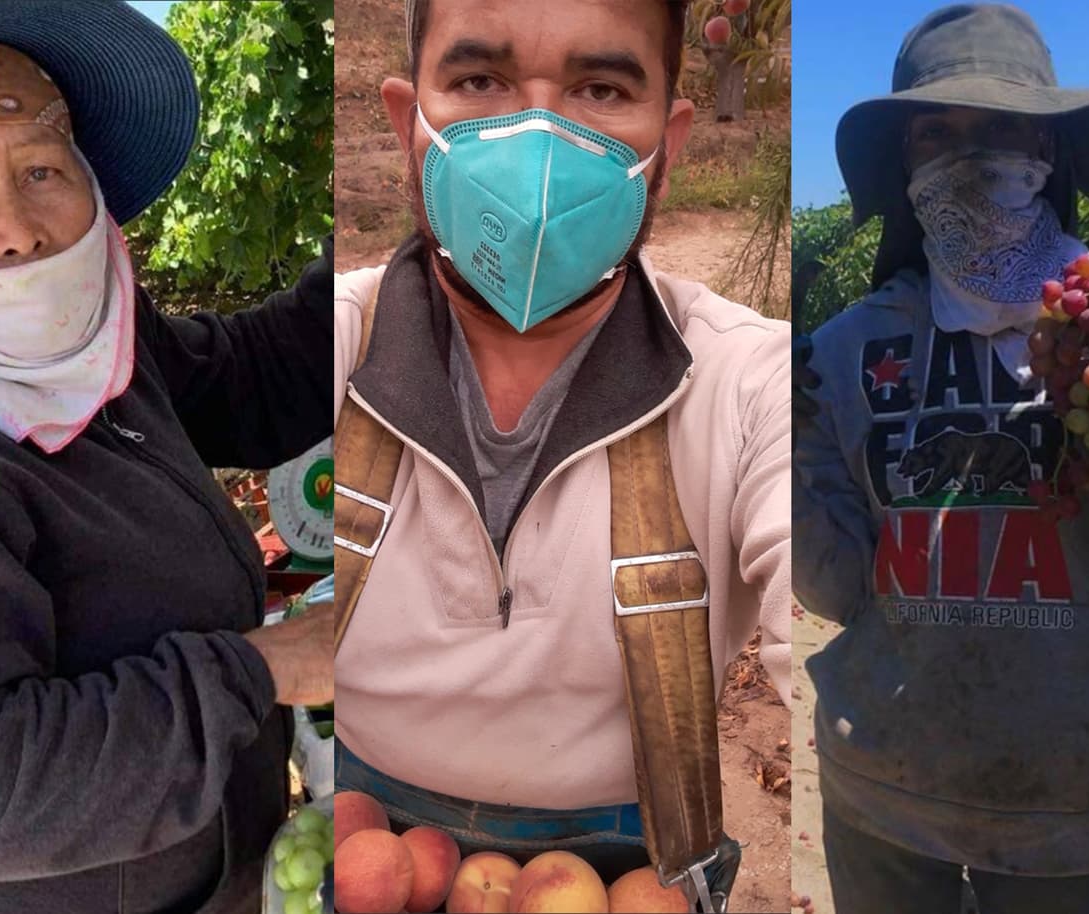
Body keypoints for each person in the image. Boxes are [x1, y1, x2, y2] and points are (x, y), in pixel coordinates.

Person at [332, 0, 791, 904]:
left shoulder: (752, 385)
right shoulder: (332, 349)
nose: (538, 140)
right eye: (478, 82)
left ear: (670, 140)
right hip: (365, 846)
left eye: (602, 88)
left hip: (629, 863)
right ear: (406, 123)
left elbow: (846, 646)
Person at [0, 3, 334, 912]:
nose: (17, 228)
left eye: (41, 169)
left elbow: (256, 376)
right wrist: (267, 668)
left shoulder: (100, 360)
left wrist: (395, 253)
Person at [793, 5, 1089, 913]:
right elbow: (836, 585)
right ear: (906, 164)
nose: (973, 153)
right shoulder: (841, 354)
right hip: (885, 788)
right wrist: (782, 442)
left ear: (1049, 151)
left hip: (1076, 797)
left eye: (1004, 127)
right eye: (941, 131)